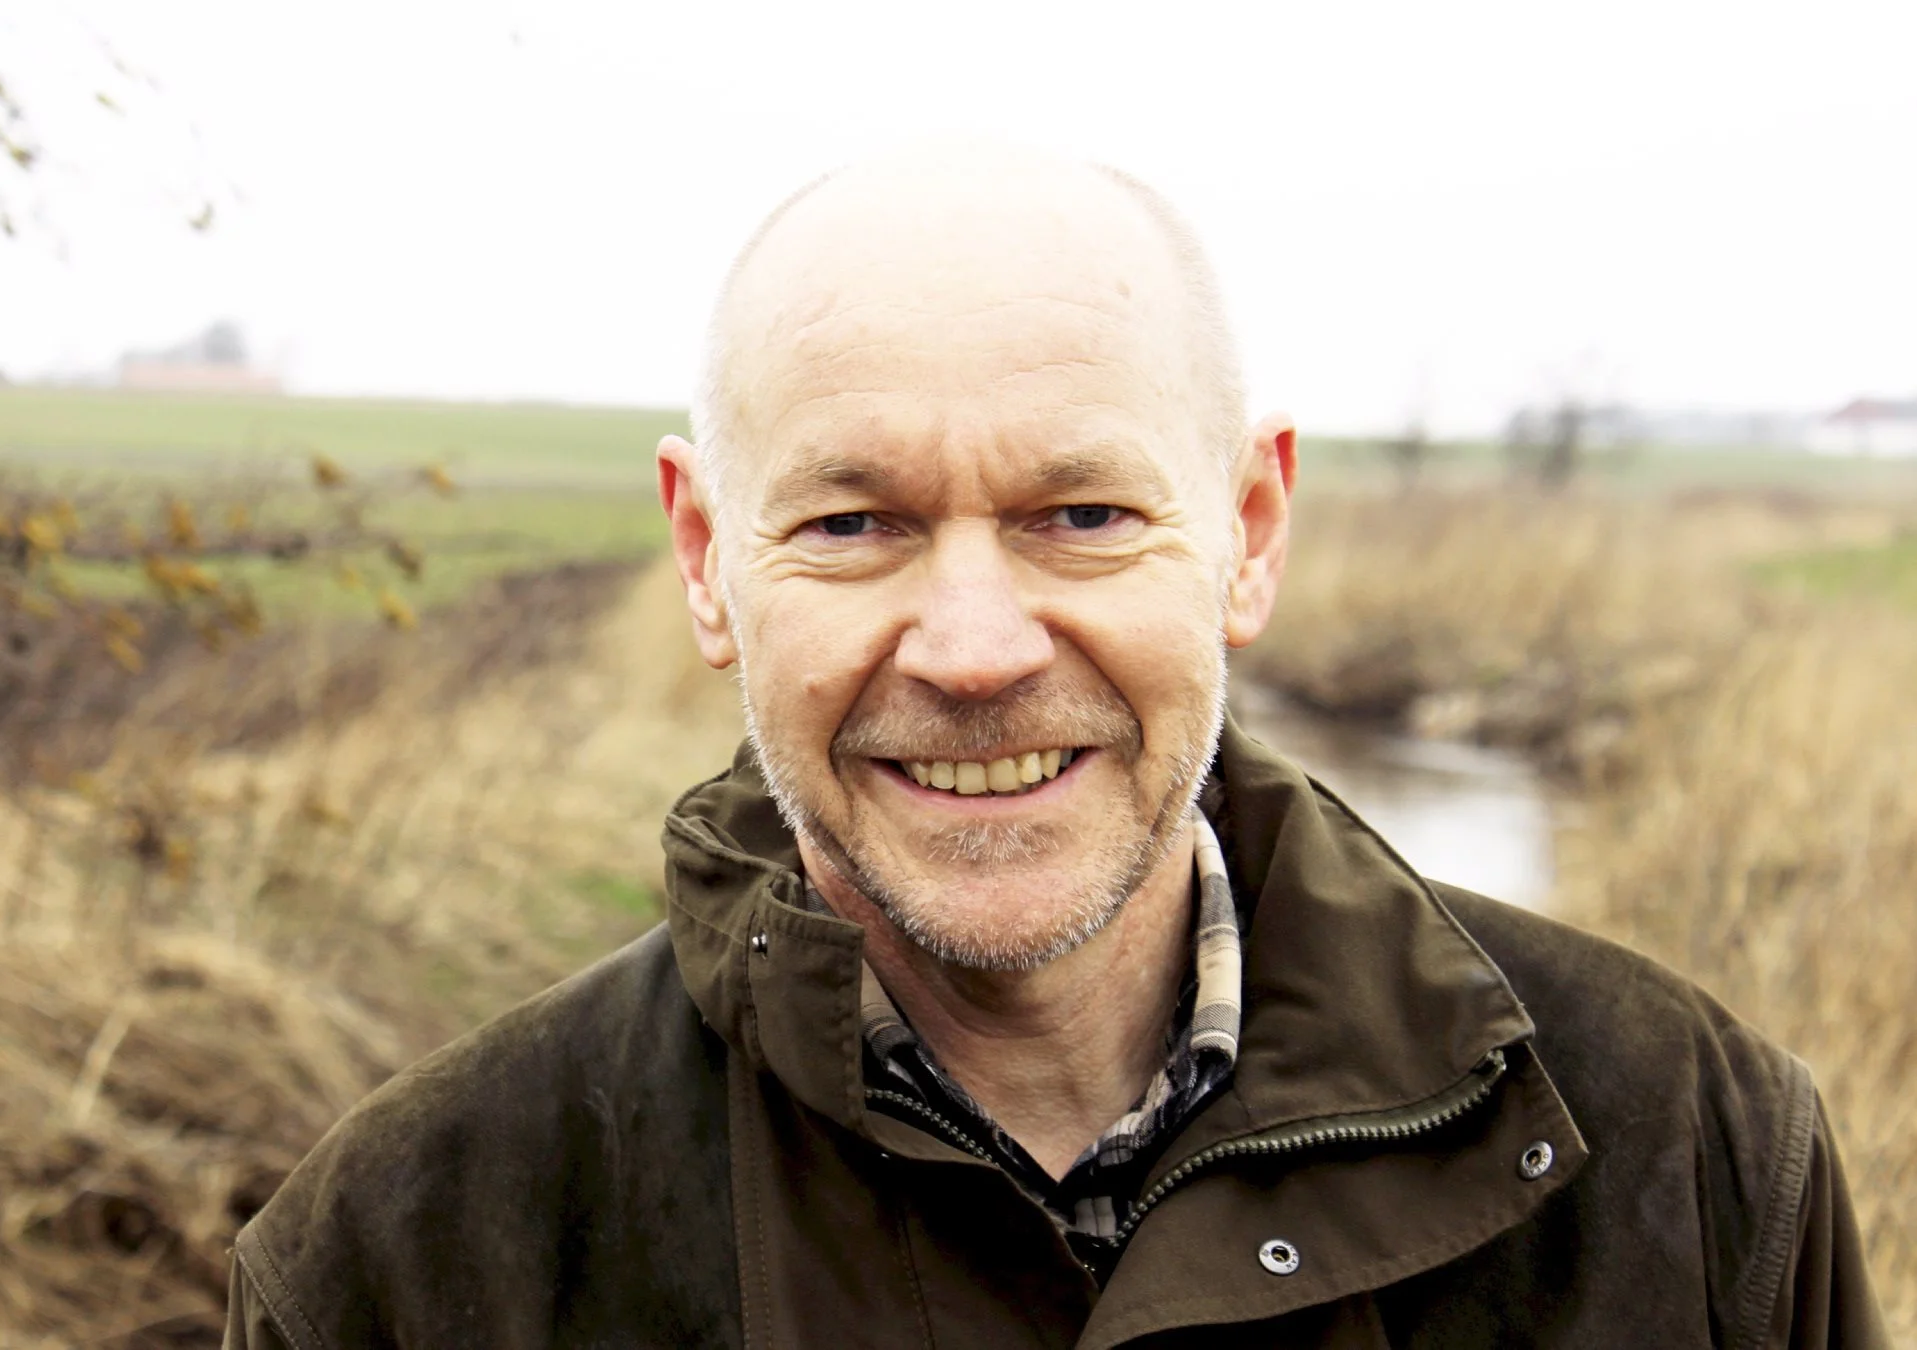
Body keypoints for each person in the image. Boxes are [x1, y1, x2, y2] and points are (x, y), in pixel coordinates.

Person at [224, 141, 1882, 1348]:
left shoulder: (1692, 1155)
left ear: (1247, 529)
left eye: (1080, 513)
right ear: (705, 557)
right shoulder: (405, 1261)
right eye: (856, 520)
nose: (971, 648)